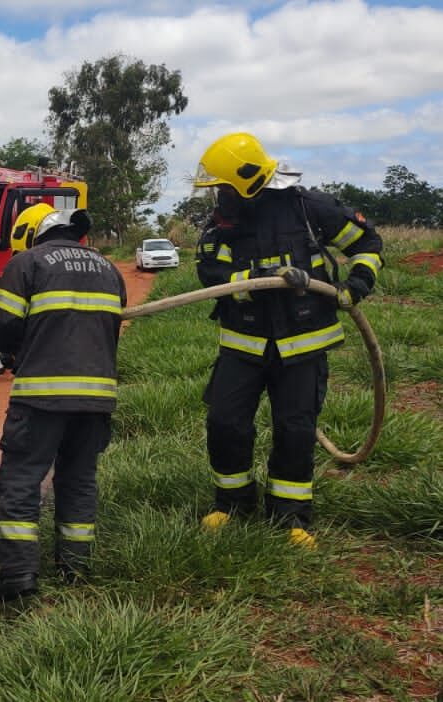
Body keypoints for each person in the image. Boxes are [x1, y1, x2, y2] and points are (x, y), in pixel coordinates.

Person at [192, 132, 383, 549]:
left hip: (303, 344)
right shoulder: (224, 223)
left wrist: (356, 284)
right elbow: (209, 273)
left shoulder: (309, 208)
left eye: (225, 187)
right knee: (224, 422)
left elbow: (367, 244)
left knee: (295, 429)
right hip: (243, 344)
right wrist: (254, 280)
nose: (220, 196)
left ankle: (290, 515)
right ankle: (232, 504)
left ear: (246, 181)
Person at [0, 204, 127, 602]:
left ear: (33, 234)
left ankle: (18, 577)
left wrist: (13, 352)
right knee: (78, 480)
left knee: (21, 481)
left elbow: (4, 322)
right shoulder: (108, 269)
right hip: (96, 399)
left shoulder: (27, 263)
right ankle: (75, 569)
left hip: (41, 397)